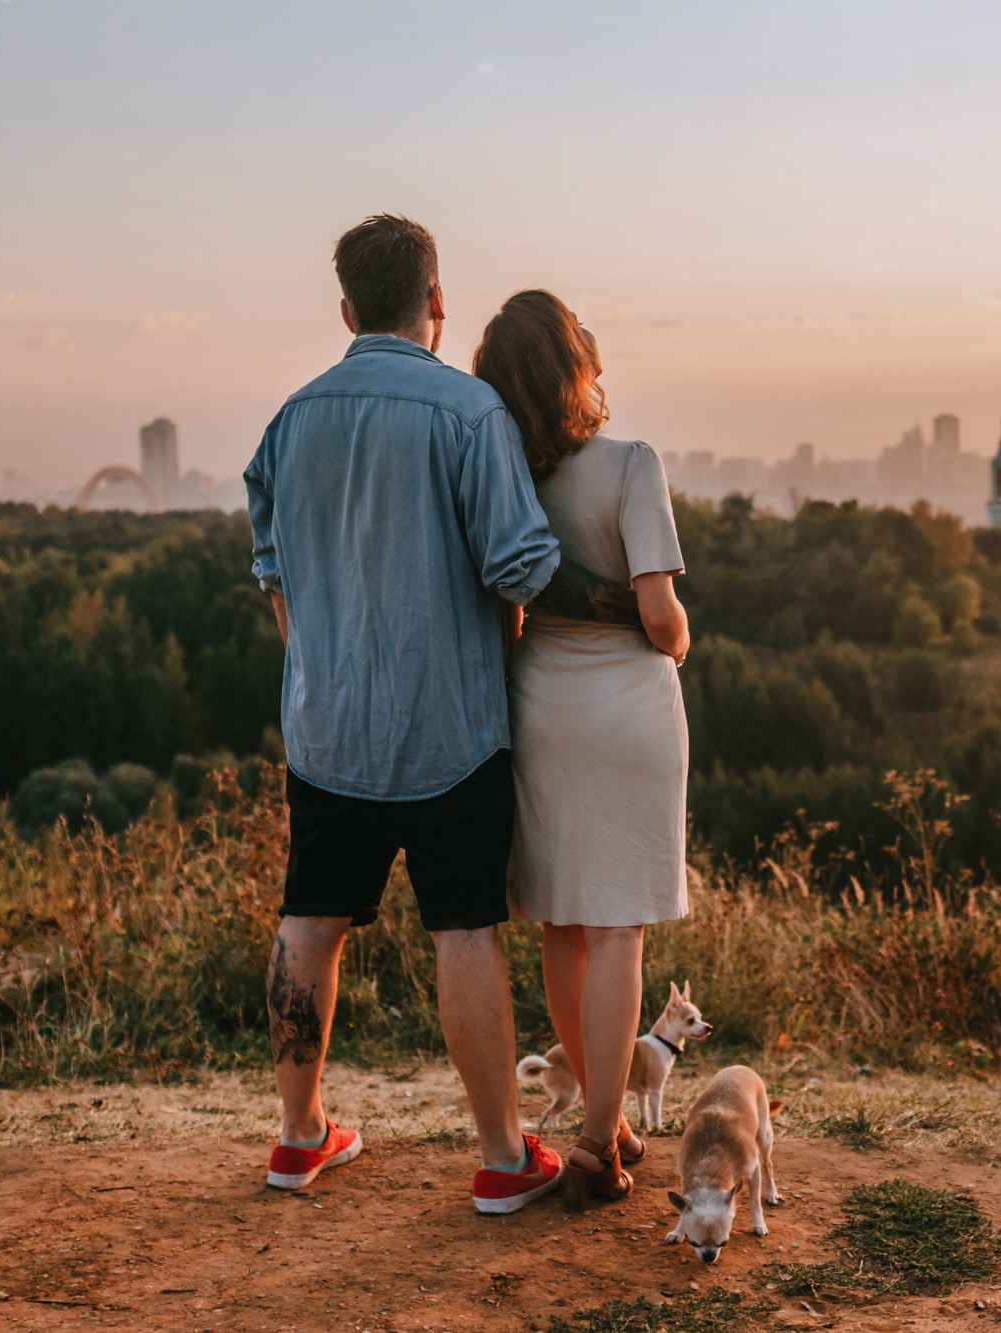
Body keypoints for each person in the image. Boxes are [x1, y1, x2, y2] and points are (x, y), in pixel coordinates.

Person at [243, 216, 644, 1215]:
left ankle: (297, 1138)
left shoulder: (287, 422)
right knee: (461, 928)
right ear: (435, 300)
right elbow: (521, 565)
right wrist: (629, 607)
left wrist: (321, 660)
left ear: (345, 309)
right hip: (450, 732)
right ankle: (502, 1157)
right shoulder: (468, 414)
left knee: (310, 918)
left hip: (326, 725)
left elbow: (274, 577)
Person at [474, 291, 692, 1211]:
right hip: (628, 711)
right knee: (618, 929)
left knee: (563, 924)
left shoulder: (502, 480)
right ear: (576, 368)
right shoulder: (631, 463)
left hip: (542, 707)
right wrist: (680, 636)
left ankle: (603, 1122)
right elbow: (657, 615)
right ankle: (602, 1133)